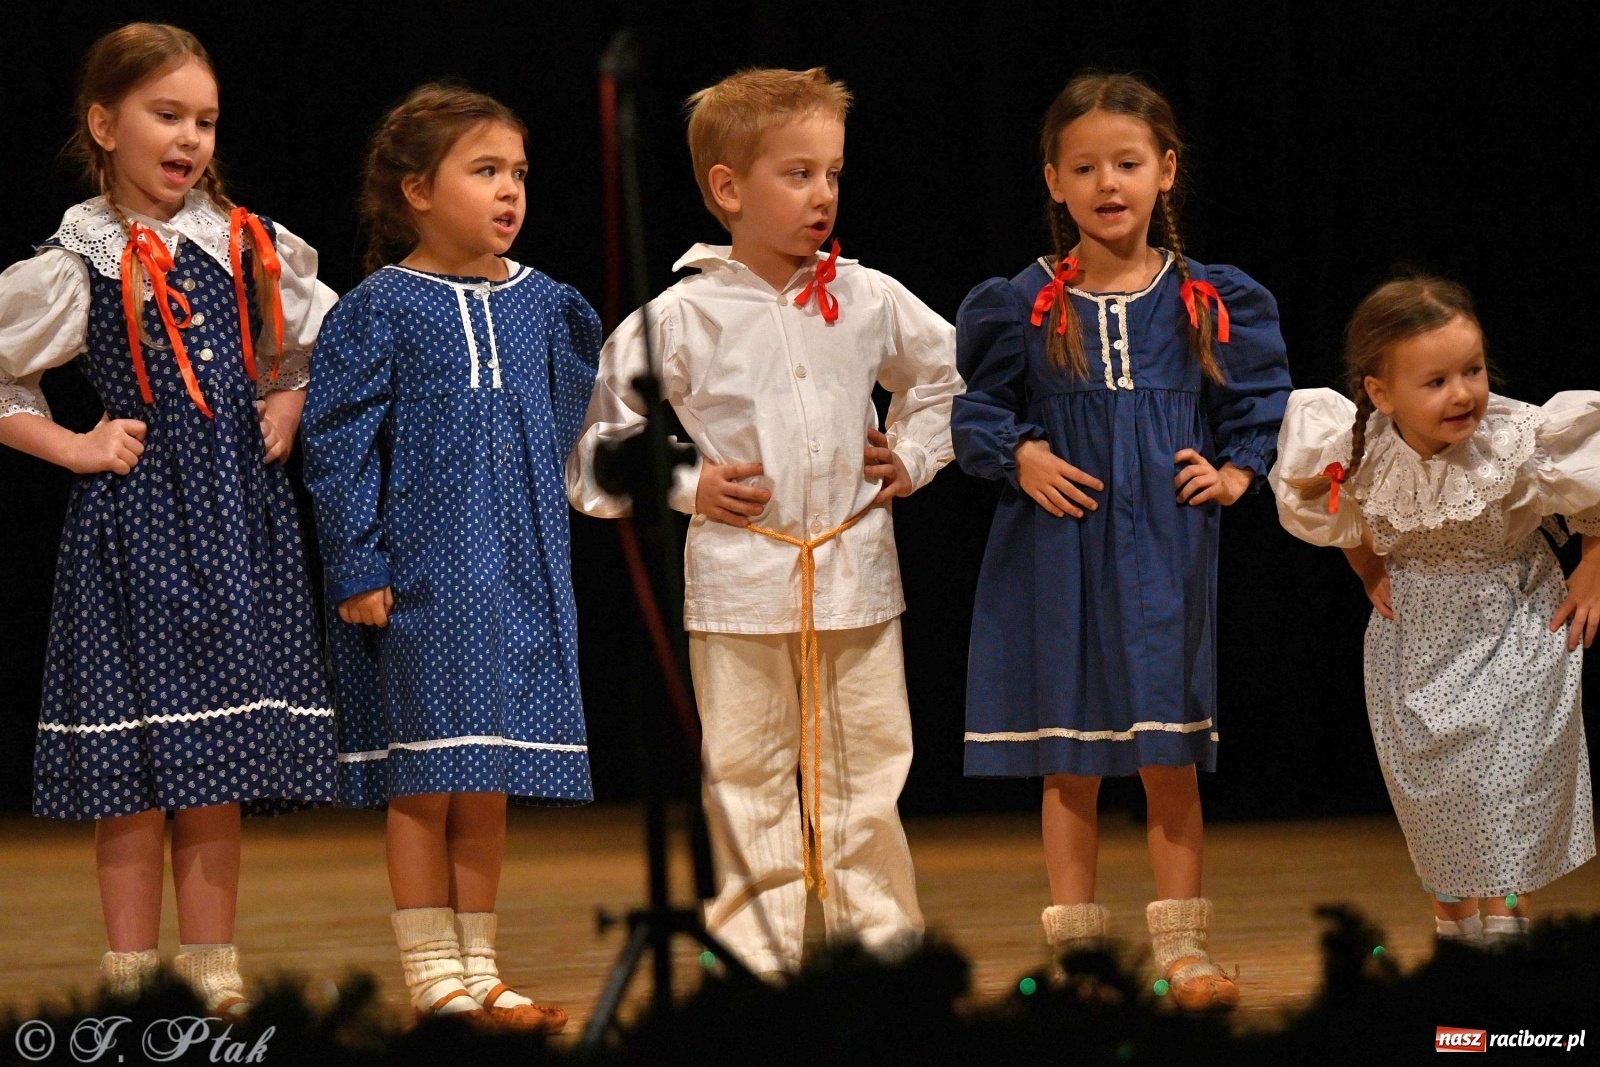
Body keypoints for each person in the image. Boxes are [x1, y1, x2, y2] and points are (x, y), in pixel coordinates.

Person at [566, 67, 962, 979]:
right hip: (742, 584)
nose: (823, 194)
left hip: (856, 577)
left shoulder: (867, 295)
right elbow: (596, 450)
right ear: (729, 188)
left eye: (833, 173)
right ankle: (755, 969)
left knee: (867, 778)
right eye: (797, 174)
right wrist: (688, 482)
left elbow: (948, 378)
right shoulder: (683, 315)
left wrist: (912, 453)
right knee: (745, 781)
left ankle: (881, 964)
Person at [0, 22, 338, 1017]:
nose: (190, 137)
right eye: (167, 115)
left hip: (236, 523)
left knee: (215, 757)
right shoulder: (84, 258)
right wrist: (75, 444)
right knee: (135, 763)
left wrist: (285, 405)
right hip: (139, 528)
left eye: (205, 120)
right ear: (105, 125)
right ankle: (132, 974)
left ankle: (211, 962)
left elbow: (304, 349)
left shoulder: (244, 242)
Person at [952, 72, 1291, 1010]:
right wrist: (1020, 454)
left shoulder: (1205, 297)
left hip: (1163, 550)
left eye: (1129, 163)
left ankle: (1183, 948)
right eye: (1086, 166)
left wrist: (1236, 472)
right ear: (1054, 181)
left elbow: (1260, 403)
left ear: (1165, 171)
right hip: (1058, 547)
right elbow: (977, 410)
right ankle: (1082, 956)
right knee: (1068, 758)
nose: (1108, 183)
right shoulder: (1021, 301)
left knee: (1167, 750)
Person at [302, 84, 600, 1030]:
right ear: (418, 191)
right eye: (485, 171)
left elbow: (574, 425)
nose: (510, 190)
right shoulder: (382, 307)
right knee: (426, 776)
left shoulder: (545, 304)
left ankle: (482, 965)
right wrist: (357, 564)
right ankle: (434, 974)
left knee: (487, 775)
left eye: (518, 172)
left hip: (521, 574)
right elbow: (338, 445)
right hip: (427, 580)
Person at [1270, 276, 1598, 944]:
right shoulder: (1357, 450)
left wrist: (1592, 567)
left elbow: (1591, 488)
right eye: (1437, 381)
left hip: (1514, 629)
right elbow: (1336, 516)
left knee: (1506, 792)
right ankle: (1455, 934)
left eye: (1472, 371)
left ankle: (1507, 933)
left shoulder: (1517, 440)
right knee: (1438, 796)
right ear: (1381, 393)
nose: (1463, 393)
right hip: (1417, 648)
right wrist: (1370, 569)